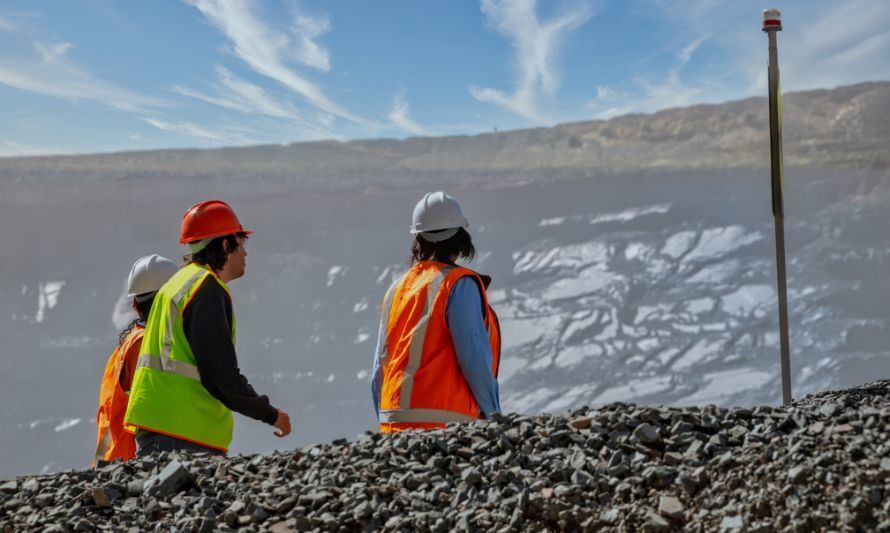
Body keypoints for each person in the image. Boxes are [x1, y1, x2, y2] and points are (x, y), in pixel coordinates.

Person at [124, 200, 291, 455]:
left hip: (161, 429)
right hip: (182, 433)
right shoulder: (205, 288)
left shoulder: (178, 283)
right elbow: (220, 373)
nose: (245, 252)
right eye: (241, 241)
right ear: (225, 244)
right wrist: (270, 414)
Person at [371, 191, 501, 433]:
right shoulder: (458, 285)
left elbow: (379, 369)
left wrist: (387, 420)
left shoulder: (396, 289)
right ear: (462, 237)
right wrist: (494, 417)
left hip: (392, 425)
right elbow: (473, 359)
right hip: (445, 426)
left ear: (419, 238)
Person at [93, 254, 178, 465]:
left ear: (135, 306)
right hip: (134, 459)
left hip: (115, 456)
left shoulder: (130, 343)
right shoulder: (145, 345)